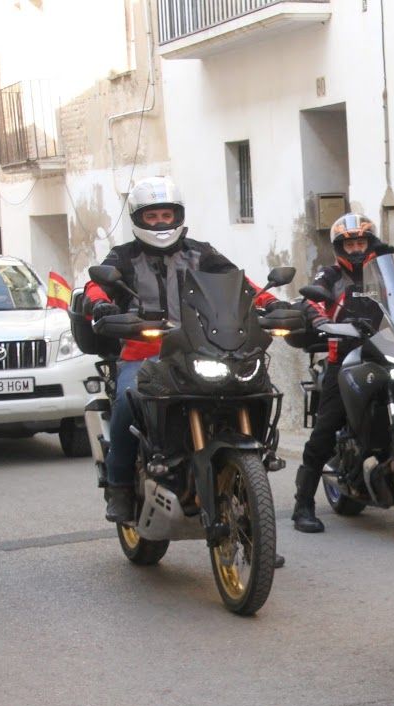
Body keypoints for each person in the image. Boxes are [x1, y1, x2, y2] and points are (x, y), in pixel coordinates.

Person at [84, 176, 277, 524]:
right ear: (139, 218)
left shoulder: (201, 253)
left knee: (252, 387)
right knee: (129, 399)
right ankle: (119, 486)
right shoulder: (124, 257)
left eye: (166, 215)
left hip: (199, 349)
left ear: (178, 216)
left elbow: (238, 283)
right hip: (144, 354)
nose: (161, 223)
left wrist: (271, 302)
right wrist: (101, 305)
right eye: (152, 216)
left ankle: (248, 484)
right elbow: (95, 286)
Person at [290, 213, 394, 533]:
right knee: (325, 429)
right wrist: (320, 320)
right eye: (350, 244)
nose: (356, 248)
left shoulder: (383, 272)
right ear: (340, 247)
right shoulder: (331, 274)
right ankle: (303, 504)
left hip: (385, 354)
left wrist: (393, 261)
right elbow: (310, 300)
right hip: (344, 359)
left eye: (361, 242)